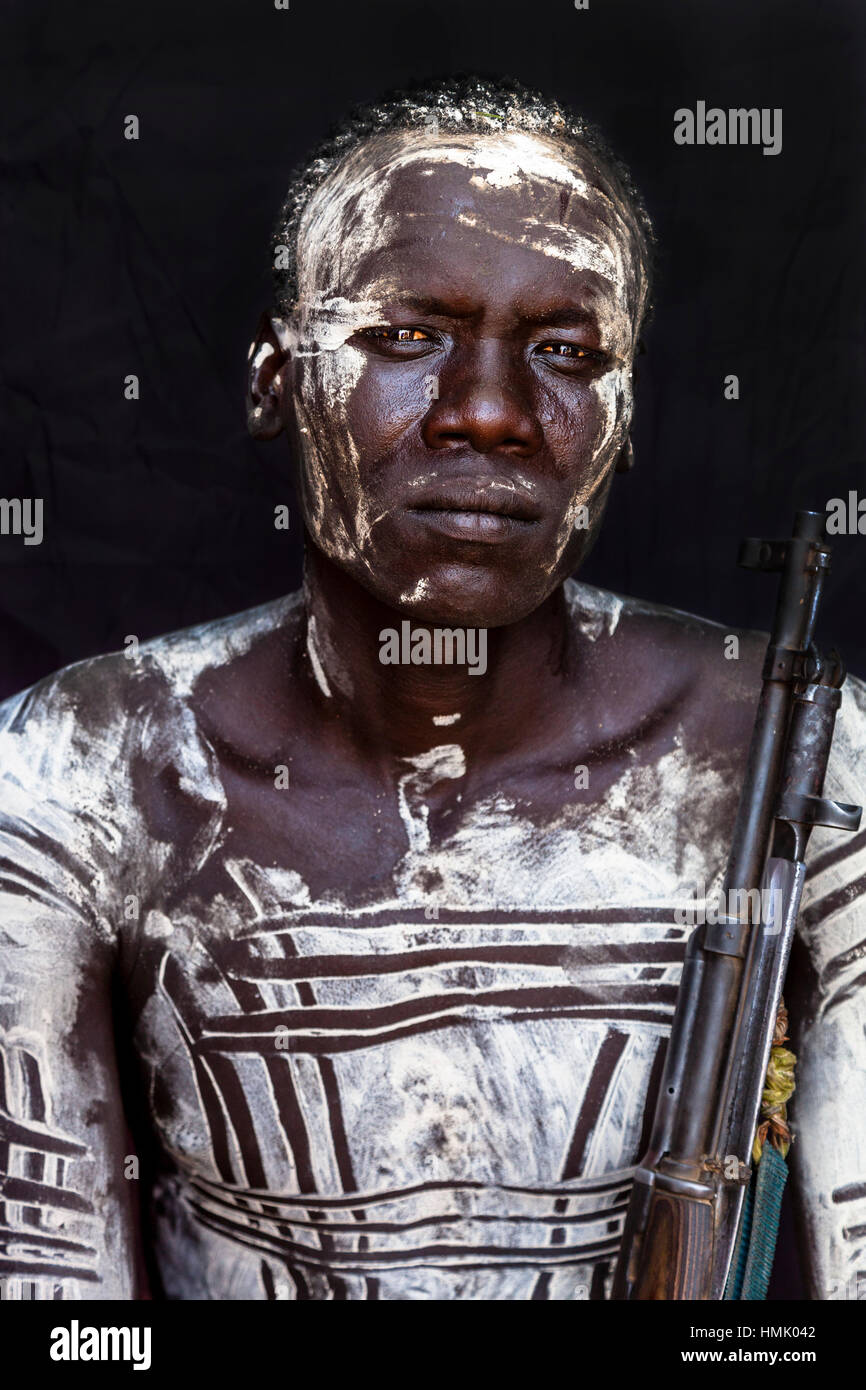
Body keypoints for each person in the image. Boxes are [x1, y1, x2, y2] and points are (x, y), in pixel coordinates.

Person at [0, 76, 863, 1302]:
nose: (489, 412)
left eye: (564, 352)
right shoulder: (78, 771)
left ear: (621, 417)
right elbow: (53, 1310)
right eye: (406, 336)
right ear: (272, 378)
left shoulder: (798, 757)